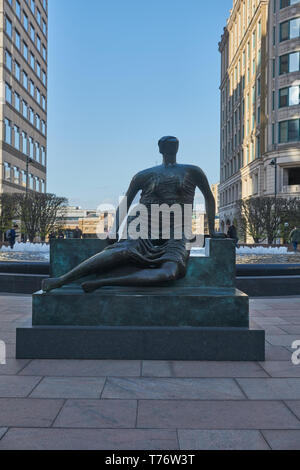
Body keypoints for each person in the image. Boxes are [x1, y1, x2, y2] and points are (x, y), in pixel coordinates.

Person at [42, 136, 224, 293]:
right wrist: (114, 230)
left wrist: (214, 231)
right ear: (160, 149)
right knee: (122, 251)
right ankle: (61, 280)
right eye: (167, 144)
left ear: (177, 147)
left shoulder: (192, 171)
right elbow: (126, 203)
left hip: (177, 231)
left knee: (169, 273)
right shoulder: (144, 175)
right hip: (144, 225)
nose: (170, 146)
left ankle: (102, 282)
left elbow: (209, 197)